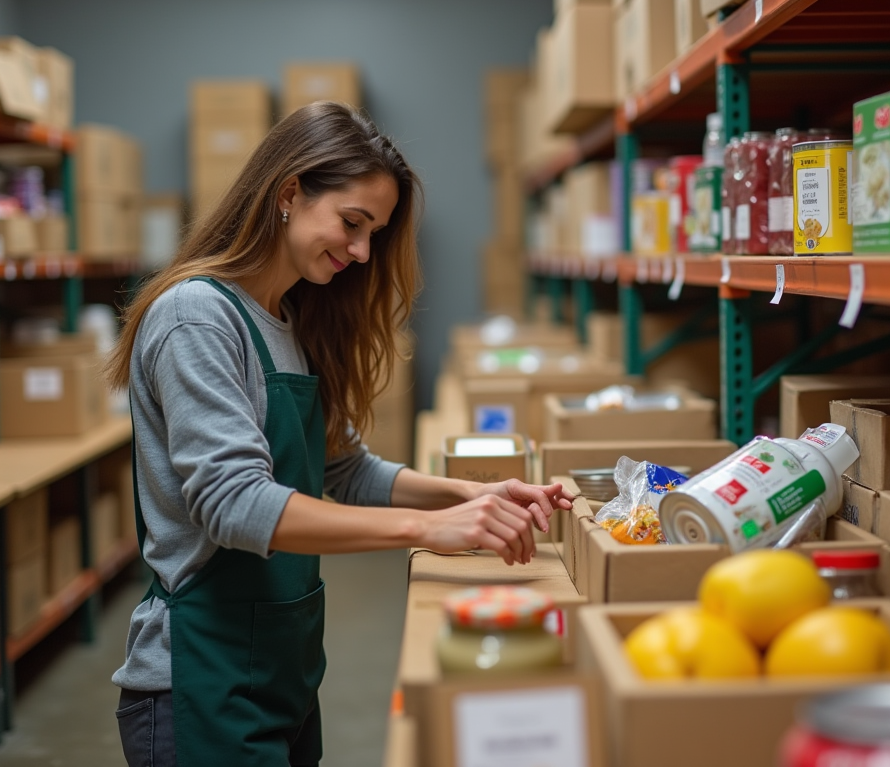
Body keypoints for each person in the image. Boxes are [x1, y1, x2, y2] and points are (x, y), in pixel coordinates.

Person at [105, 101, 574, 767]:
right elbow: (234, 505)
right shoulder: (198, 317)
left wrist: (477, 497)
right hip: (199, 682)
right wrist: (424, 532)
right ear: (289, 192)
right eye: (352, 223)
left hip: (281, 667)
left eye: (373, 234)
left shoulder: (291, 317)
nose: (360, 252)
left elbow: (344, 470)